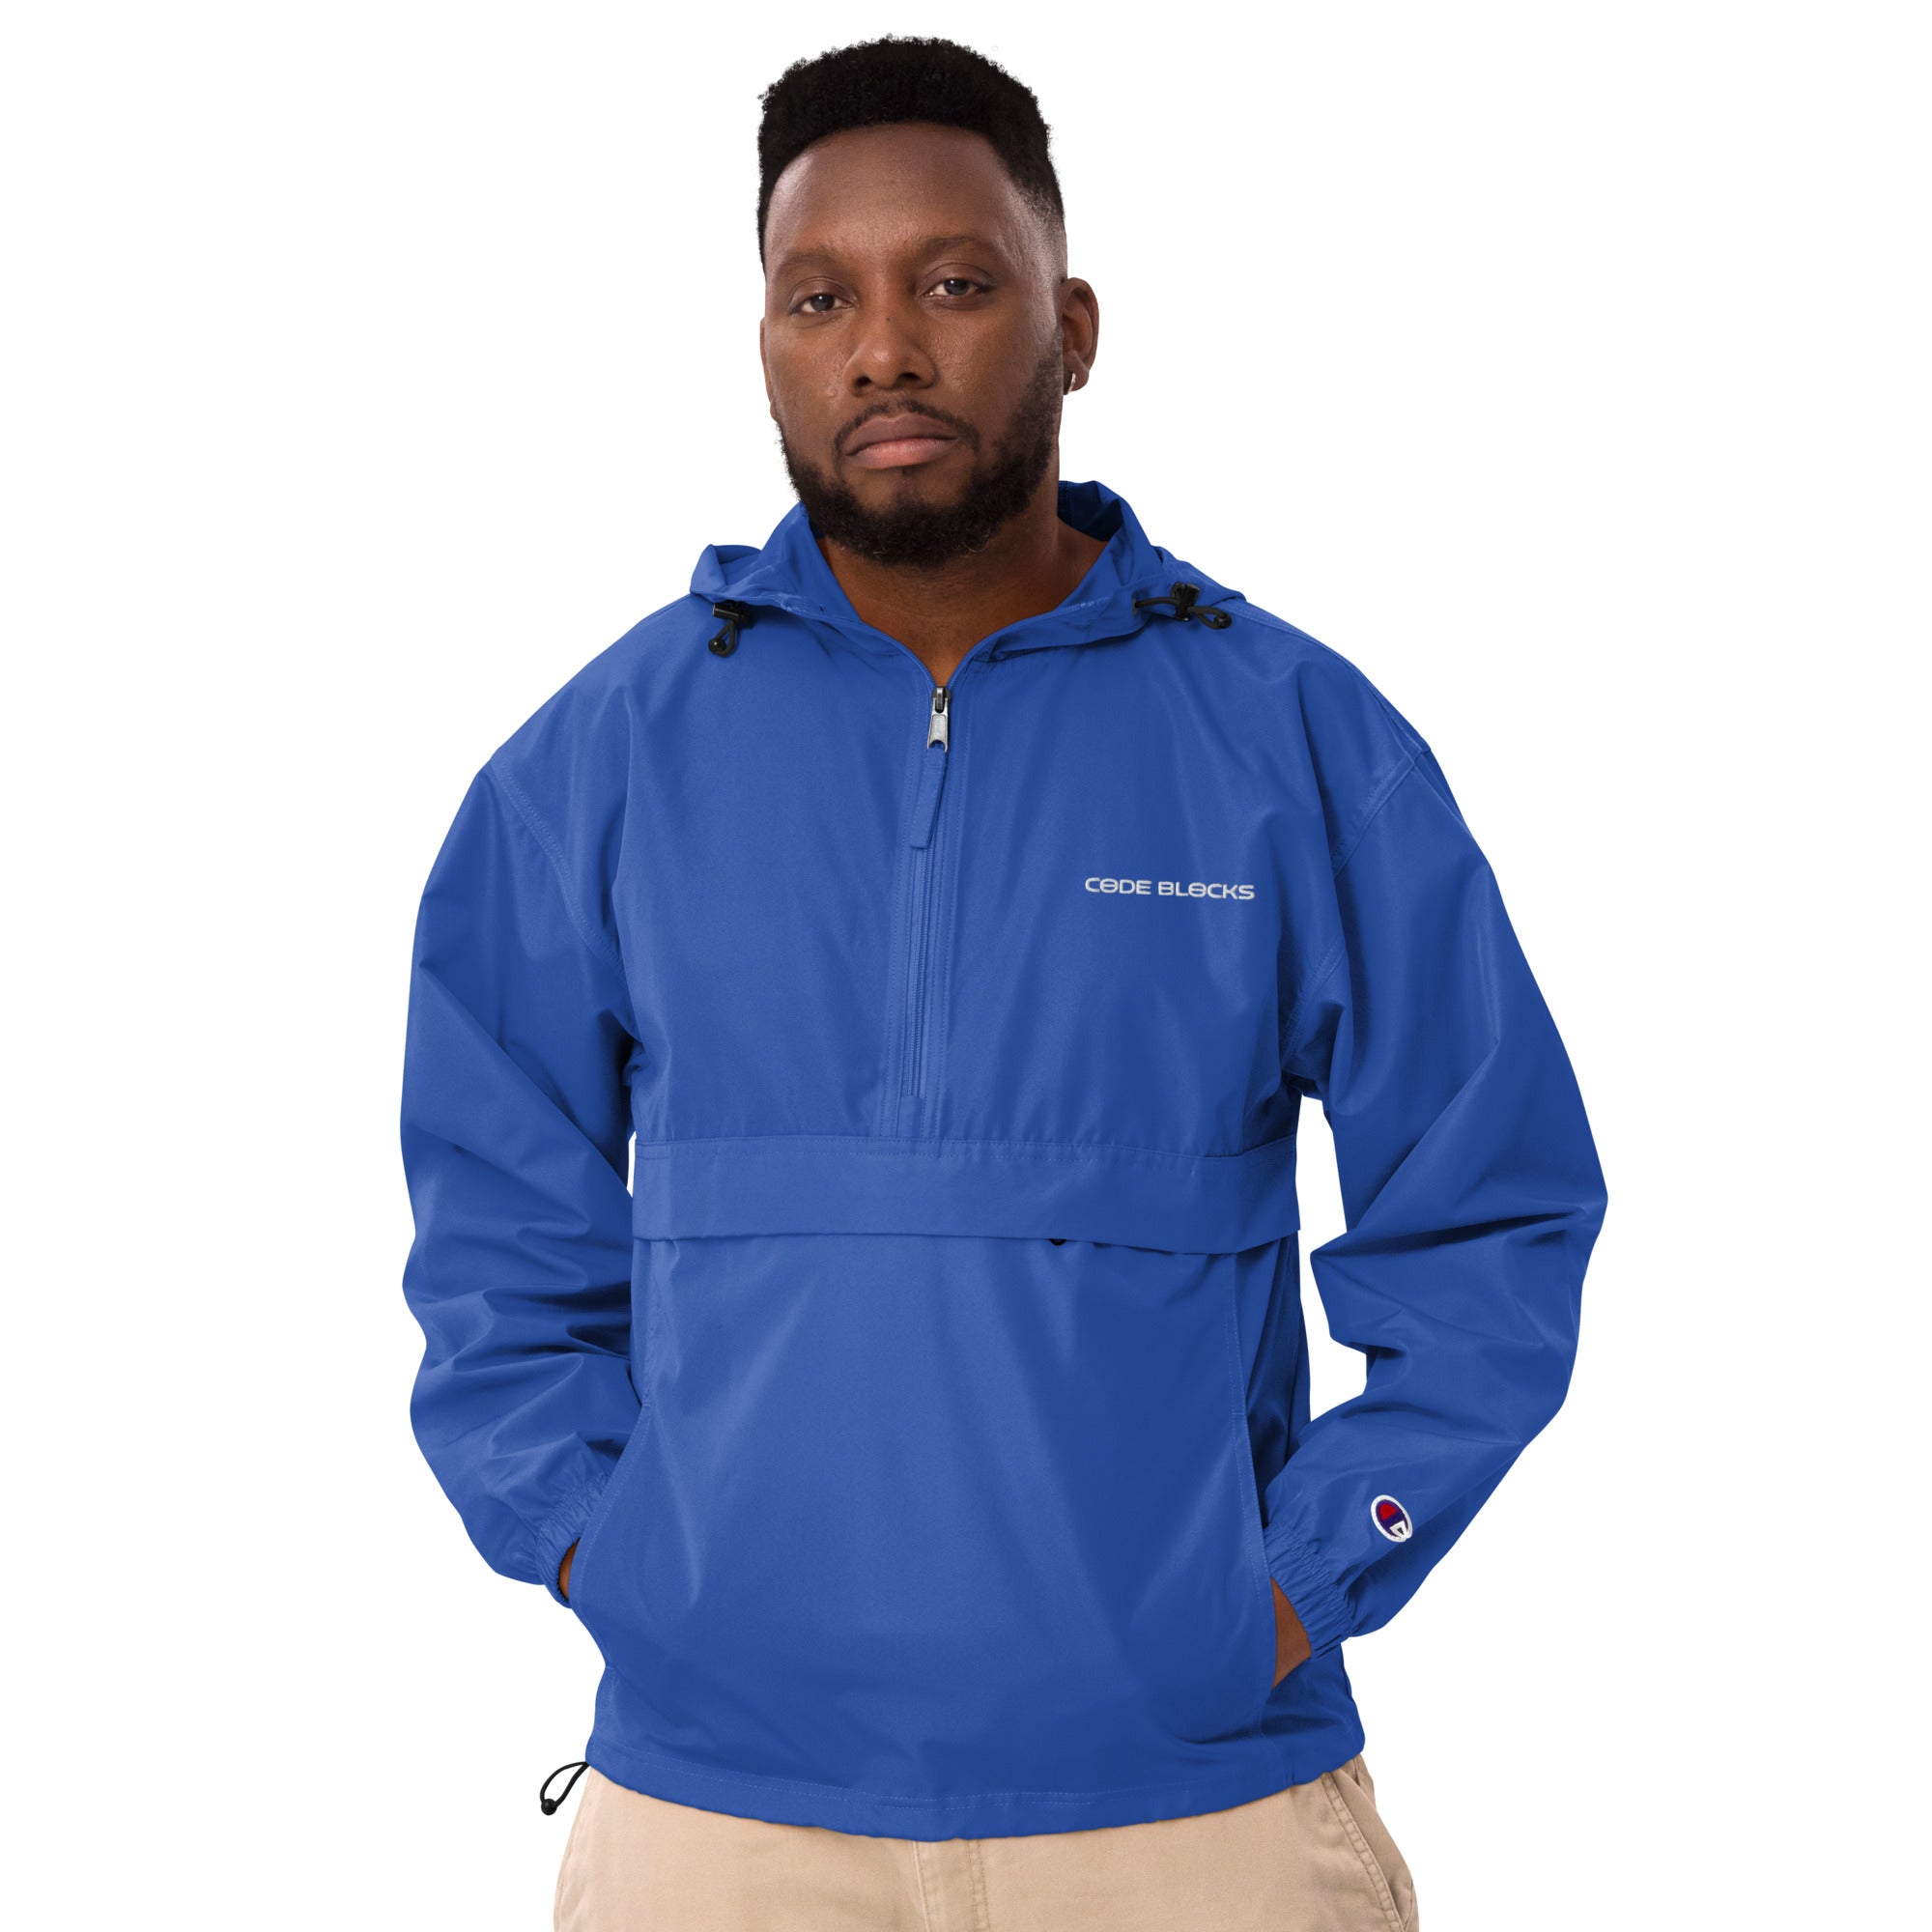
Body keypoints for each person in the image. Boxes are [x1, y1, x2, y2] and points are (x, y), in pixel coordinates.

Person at [399, 35, 1607, 1932]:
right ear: (767, 347)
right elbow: (493, 1229)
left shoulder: (1292, 738)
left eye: (954, 283)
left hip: (1194, 1808)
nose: (884, 347)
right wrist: (591, 1544)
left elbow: (1493, 1215)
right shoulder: (601, 759)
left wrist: (1300, 1574)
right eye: (821, 298)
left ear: (1073, 326)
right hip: (721, 1818)